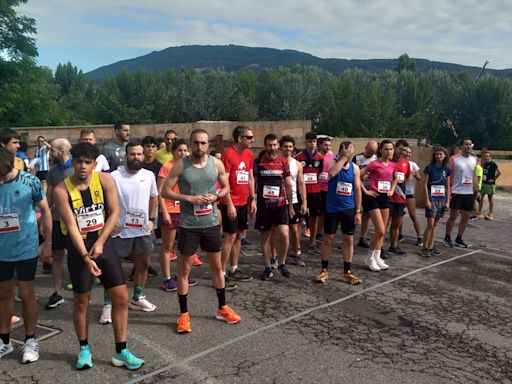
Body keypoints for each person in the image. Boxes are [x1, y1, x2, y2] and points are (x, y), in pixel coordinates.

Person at [53, 142, 144, 370]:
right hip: (79, 248)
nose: (82, 167)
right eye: (78, 162)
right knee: (82, 301)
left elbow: (114, 212)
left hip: (103, 244)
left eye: (87, 162)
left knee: (121, 297)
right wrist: (85, 256)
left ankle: (121, 351)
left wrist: (102, 242)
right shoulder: (61, 190)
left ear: (95, 164)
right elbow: (72, 226)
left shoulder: (104, 180)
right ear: (72, 162)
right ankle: (84, 348)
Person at [161, 129, 241, 333]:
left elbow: (225, 187)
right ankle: (184, 314)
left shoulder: (216, 163)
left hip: (211, 223)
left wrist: (216, 197)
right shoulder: (181, 164)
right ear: (191, 143)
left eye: (203, 143)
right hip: (189, 226)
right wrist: (188, 198)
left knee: (216, 268)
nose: (199, 147)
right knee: (184, 271)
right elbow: (165, 191)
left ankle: (222, 308)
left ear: (208, 144)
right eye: (196, 143)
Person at [0, 147, 52, 363]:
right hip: (2, 250)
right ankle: (4, 341)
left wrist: (48, 242)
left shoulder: (30, 182)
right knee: (3, 295)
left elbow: (46, 210)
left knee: (27, 294)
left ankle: (30, 340)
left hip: (26, 248)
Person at [110, 140, 159, 314]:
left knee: (143, 264)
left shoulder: (149, 175)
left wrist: (152, 218)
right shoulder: (114, 176)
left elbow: (154, 197)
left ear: (143, 155)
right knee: (113, 269)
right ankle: (109, 304)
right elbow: (104, 200)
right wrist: (110, 221)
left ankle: (137, 298)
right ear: (126, 156)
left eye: (139, 154)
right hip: (120, 231)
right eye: (132, 154)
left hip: (142, 230)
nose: (136, 157)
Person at [315, 141, 362, 284]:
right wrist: (343, 158)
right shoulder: (332, 163)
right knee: (328, 238)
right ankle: (324, 270)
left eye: (351, 148)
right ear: (341, 150)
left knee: (348, 239)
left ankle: (347, 271)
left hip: (348, 208)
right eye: (346, 148)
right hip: (332, 208)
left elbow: (358, 190)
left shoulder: (355, 168)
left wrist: (358, 211)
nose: (349, 151)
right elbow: (332, 173)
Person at [158, 139, 198, 292]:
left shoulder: (188, 167)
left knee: (185, 247)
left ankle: (182, 275)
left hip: (186, 211)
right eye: (179, 150)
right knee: (168, 247)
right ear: (173, 152)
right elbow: (160, 192)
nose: (183, 153)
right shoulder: (166, 167)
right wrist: (165, 212)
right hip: (170, 211)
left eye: (184, 150)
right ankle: (167, 278)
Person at [254, 134, 295, 280]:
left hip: (281, 205)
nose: (272, 148)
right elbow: (253, 182)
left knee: (284, 234)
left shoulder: (283, 162)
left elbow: (289, 184)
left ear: (278, 146)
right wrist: (252, 201)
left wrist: (290, 205)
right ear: (265, 146)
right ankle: (267, 266)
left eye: (274, 145)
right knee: (265, 237)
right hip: (264, 206)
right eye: (269, 145)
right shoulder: (258, 161)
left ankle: (282, 264)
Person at [220, 126, 256, 287]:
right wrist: (229, 204)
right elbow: (224, 181)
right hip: (230, 202)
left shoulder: (249, 154)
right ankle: (221, 272)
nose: (252, 140)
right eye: (249, 137)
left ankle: (234, 268)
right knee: (230, 236)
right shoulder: (228, 155)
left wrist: (252, 199)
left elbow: (249, 178)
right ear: (240, 139)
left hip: (243, 201)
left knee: (239, 234)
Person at [45, 138, 74, 310]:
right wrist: (43, 216)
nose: (50, 153)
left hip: (74, 220)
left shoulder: (76, 168)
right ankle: (56, 292)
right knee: (57, 255)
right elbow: (48, 195)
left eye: (53, 150)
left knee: (76, 255)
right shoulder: (53, 171)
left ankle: (81, 290)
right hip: (56, 220)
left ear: (62, 152)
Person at [360, 140, 397, 271]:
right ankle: (369, 258)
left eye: (391, 149)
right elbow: (358, 175)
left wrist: (392, 189)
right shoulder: (374, 164)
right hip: (373, 197)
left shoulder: (393, 165)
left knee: (383, 232)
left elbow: (395, 177)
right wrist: (365, 191)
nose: (389, 152)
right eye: (386, 149)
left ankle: (377, 256)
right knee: (380, 230)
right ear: (380, 150)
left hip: (385, 198)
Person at [444, 138, 479, 248]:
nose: (468, 146)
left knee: (465, 216)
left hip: (469, 192)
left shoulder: (474, 159)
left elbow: (474, 175)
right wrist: (448, 191)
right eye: (466, 144)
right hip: (456, 191)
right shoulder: (454, 159)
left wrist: (476, 190)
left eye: (470, 144)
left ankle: (459, 238)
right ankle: (447, 237)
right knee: (453, 216)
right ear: (461, 146)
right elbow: (448, 176)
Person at [280, 136, 308, 267]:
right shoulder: (277, 162)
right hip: (279, 201)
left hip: (294, 200)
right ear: (281, 147)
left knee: (294, 229)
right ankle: (278, 256)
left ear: (293, 148)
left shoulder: (297, 164)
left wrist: (304, 202)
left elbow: (301, 184)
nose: (288, 149)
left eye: (290, 146)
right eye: (285, 146)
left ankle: (297, 253)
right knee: (278, 230)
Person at [295, 132, 324, 255]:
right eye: (309, 142)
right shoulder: (299, 157)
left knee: (314, 218)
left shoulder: (320, 158)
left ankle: (312, 243)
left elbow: (320, 172)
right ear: (305, 142)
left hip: (315, 192)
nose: (311, 144)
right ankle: (296, 245)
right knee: (299, 220)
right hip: (301, 192)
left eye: (314, 142)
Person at [420, 147, 451, 257]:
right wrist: (427, 200)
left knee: (435, 224)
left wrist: (448, 200)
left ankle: (431, 246)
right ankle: (424, 247)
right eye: (437, 154)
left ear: (445, 156)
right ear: (434, 156)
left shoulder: (447, 169)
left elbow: (447, 186)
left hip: (441, 199)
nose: (439, 156)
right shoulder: (429, 167)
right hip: (431, 198)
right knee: (430, 223)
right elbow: (424, 184)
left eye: (441, 154)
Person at [387, 140, 411, 256]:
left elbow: (405, 179)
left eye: (404, 150)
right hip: (387, 198)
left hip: (400, 198)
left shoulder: (406, 163)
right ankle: (378, 248)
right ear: (395, 148)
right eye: (400, 149)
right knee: (384, 224)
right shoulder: (387, 161)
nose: (402, 152)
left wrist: (399, 190)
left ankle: (393, 246)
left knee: (396, 224)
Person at [353, 140, 378, 248]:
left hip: (370, 190)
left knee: (366, 215)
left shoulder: (376, 159)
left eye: (373, 152)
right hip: (358, 188)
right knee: (354, 213)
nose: (371, 154)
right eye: (369, 151)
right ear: (365, 148)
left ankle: (363, 238)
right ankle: (348, 236)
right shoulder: (357, 158)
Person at [399, 146, 423, 246]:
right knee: (398, 215)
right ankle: (399, 235)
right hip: (399, 192)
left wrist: (415, 175)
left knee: (413, 215)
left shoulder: (412, 164)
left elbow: (419, 178)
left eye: (409, 152)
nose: (407, 153)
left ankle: (419, 237)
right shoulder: (397, 162)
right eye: (405, 151)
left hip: (409, 192)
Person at [317, 136, 335, 242]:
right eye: (325, 145)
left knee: (325, 212)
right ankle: (313, 230)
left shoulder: (332, 157)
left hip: (327, 188)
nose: (327, 147)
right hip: (316, 188)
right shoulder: (316, 156)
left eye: (329, 145)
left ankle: (319, 232)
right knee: (316, 213)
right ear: (320, 145)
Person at [478, 151, 501, 220]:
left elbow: (499, 172)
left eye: (487, 156)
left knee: (490, 198)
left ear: (490, 157)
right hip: (483, 183)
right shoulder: (483, 164)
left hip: (490, 184)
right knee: (480, 198)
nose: (486, 157)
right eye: (485, 156)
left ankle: (490, 213)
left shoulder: (493, 164)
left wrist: (493, 179)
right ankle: (479, 212)